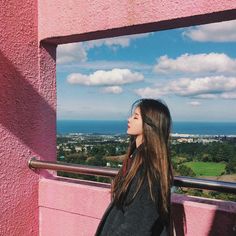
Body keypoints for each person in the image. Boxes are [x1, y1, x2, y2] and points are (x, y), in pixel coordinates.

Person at [95, 98, 174, 236]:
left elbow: (136, 227)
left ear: (150, 124)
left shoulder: (147, 169)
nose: (129, 119)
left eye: (136, 117)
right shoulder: (138, 160)